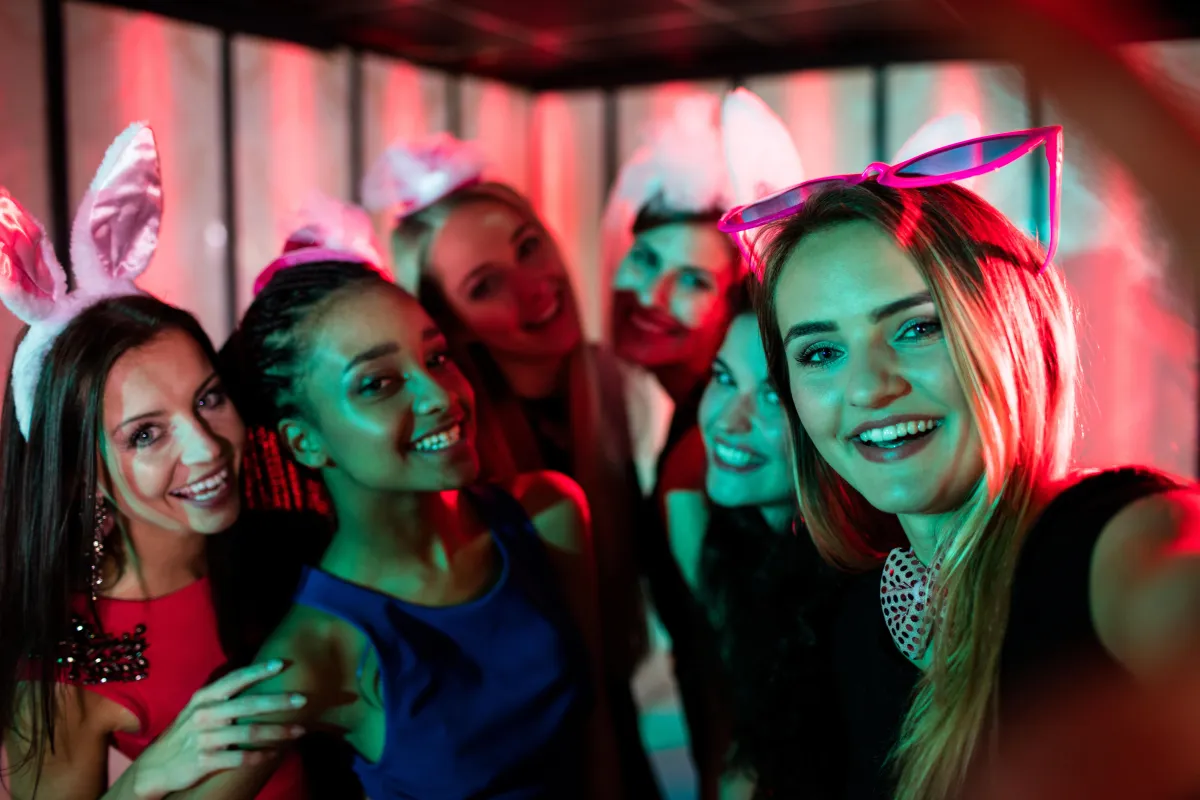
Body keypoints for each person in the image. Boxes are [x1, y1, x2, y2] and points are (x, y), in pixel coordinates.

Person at [731, 125, 1200, 800]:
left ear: (1012, 333)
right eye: (820, 352)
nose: (869, 387)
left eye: (917, 328)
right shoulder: (855, 628)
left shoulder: (1115, 544)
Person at [177, 253, 616, 799]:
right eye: (378, 383)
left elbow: (601, 740)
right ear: (304, 442)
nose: (439, 396)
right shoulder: (317, 649)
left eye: (436, 357)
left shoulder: (548, 513)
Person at [0, 124, 310, 799]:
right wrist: (147, 779)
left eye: (209, 398)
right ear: (82, 474)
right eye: (145, 435)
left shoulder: (297, 532)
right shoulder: (70, 654)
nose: (206, 447)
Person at [363, 137, 656, 797]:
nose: (534, 288)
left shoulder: (604, 381)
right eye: (485, 285)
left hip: (615, 716)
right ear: (447, 323)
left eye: (529, 247)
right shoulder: (456, 454)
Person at [659, 287, 846, 799]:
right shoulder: (721, 537)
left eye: (772, 396)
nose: (727, 420)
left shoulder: (870, 587)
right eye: (723, 379)